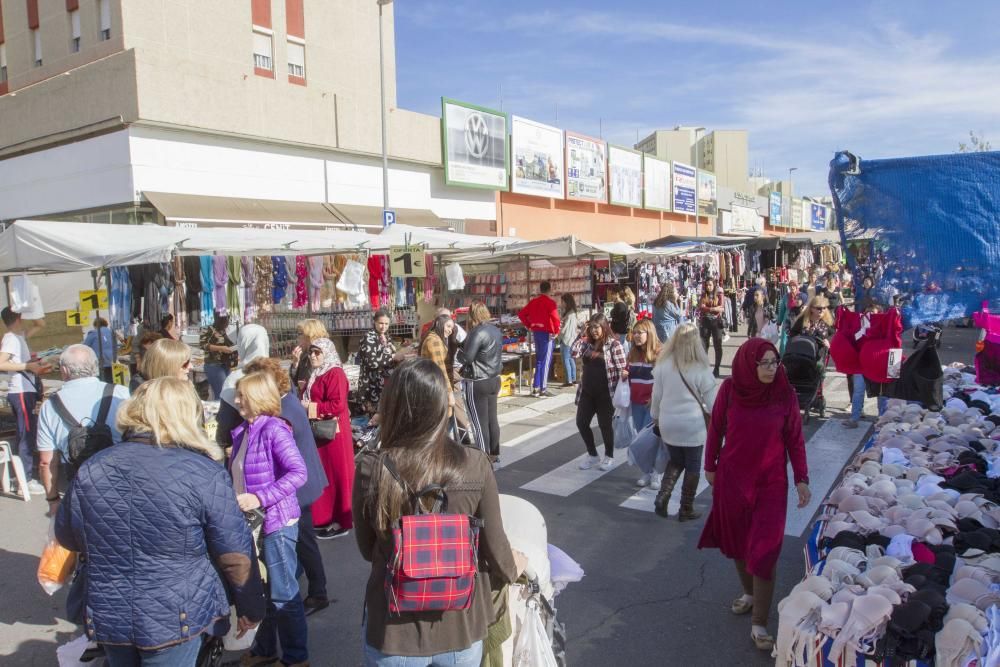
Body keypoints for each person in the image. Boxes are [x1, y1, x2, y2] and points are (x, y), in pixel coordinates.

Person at [54, 378, 266, 667]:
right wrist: (251, 607)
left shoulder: (93, 467)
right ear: (188, 415)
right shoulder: (203, 472)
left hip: (111, 612)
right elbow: (235, 554)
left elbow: (67, 536)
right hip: (177, 614)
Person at [352, 358, 523, 666]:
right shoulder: (475, 464)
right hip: (460, 626)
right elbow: (495, 548)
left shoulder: (370, 468)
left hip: (393, 630)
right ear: (441, 407)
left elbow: (367, 550)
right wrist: (516, 568)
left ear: (392, 407)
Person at [698, 339, 810, 652]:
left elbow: (795, 440)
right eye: (765, 363)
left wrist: (801, 478)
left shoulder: (784, 394)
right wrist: (710, 466)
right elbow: (716, 428)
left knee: (765, 551)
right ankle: (748, 593)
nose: (772, 368)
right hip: (733, 479)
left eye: (775, 362)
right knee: (737, 542)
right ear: (750, 363)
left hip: (771, 484)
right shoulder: (731, 390)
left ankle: (759, 622)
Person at [230, 371, 309, 667]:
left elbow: (299, 473)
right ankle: (265, 650)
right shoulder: (244, 431)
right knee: (265, 592)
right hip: (254, 524)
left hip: (275, 523)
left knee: (283, 594)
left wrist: (260, 498)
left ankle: (296, 659)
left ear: (258, 398)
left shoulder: (274, 429)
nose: (237, 400)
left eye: (242, 395)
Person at [244, 357, 331, 612]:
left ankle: (318, 592)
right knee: (304, 540)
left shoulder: (282, 411)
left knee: (305, 541)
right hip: (304, 481)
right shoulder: (287, 399)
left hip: (297, 488)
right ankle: (311, 584)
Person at [36, 345, 130, 514]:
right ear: (95, 366)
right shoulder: (121, 393)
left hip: (79, 487)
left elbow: (46, 462)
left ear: (64, 370)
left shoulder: (50, 406)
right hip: (120, 482)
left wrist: (53, 500)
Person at [650, 324, 718, 519]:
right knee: (693, 465)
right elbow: (713, 404)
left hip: (668, 422)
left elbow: (656, 397)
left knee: (676, 460)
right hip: (692, 424)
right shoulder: (701, 368)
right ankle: (686, 507)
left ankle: (662, 496)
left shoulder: (664, 365)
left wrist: (655, 417)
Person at [302, 338, 354, 539]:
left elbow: (337, 405)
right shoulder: (318, 372)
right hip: (321, 433)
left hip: (333, 434)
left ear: (327, 353)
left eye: (317, 352)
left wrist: (310, 408)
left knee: (336, 476)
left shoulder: (335, 373)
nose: (313, 356)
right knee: (324, 475)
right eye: (311, 352)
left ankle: (341, 520)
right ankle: (324, 517)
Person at [0, 307, 49, 493]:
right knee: (26, 435)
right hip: (20, 390)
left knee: (25, 433)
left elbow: (41, 324)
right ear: (19, 317)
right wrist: (27, 366)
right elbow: (1, 362)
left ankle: (23, 474)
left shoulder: (18, 336)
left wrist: (30, 306)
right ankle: (26, 481)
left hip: (23, 390)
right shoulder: (11, 339)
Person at [571, 313, 627, 471]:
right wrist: (581, 333)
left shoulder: (614, 345)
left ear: (604, 327)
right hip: (587, 392)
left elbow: (623, 368)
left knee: (605, 426)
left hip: (606, 393)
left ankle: (609, 456)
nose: (594, 331)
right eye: (592, 327)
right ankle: (593, 454)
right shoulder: (586, 343)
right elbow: (573, 352)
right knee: (581, 422)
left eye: (597, 327)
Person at [462, 302, 503, 460]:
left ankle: (484, 459)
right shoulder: (495, 330)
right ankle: (494, 453)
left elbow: (468, 358)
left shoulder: (476, 332)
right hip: (494, 378)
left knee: (479, 423)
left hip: (478, 380)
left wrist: (459, 352)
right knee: (492, 419)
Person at [844, 301, 888, 429]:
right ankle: (854, 418)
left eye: (873, 313)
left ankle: (882, 418)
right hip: (861, 363)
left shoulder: (884, 326)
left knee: (881, 392)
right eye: (867, 313)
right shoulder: (860, 325)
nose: (869, 315)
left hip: (879, 364)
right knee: (858, 391)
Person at [517, 281, 561, 398]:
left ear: (540, 289)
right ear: (549, 290)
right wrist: (556, 331)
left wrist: (530, 325)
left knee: (539, 360)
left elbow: (521, 314)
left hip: (536, 332)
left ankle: (536, 387)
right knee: (545, 361)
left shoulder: (533, 302)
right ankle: (543, 388)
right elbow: (556, 318)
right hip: (547, 333)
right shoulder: (550, 303)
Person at [358, 309, 404, 416]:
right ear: (374, 322)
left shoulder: (386, 336)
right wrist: (393, 357)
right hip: (372, 385)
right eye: (381, 323)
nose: (383, 326)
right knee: (374, 418)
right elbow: (371, 361)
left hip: (384, 384)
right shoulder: (369, 337)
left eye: (386, 324)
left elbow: (390, 352)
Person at [626, 319, 660, 433]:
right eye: (634, 333)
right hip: (636, 401)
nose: (636, 336)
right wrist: (625, 373)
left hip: (652, 403)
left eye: (639, 333)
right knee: (640, 435)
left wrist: (655, 399)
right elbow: (628, 373)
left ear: (649, 333)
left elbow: (664, 381)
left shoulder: (660, 353)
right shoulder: (632, 353)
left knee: (647, 437)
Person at [290, 318, 333, 397]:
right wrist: (295, 364)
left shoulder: (320, 354)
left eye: (300, 334)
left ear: (309, 336)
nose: (297, 337)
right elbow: (294, 382)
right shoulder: (305, 353)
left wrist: (306, 386)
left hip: (317, 404)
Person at [200, 311, 236, 399]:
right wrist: (221, 348)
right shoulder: (207, 329)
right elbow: (203, 345)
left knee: (226, 392)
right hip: (213, 365)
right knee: (221, 393)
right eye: (225, 320)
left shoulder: (222, 331)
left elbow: (227, 343)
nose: (227, 323)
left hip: (225, 364)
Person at [698, 278, 725, 378]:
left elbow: (721, 308)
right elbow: (701, 307)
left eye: (710, 285)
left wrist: (708, 309)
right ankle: (704, 368)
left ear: (714, 285)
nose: (708, 287)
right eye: (707, 285)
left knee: (717, 345)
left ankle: (716, 368)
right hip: (705, 321)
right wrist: (713, 308)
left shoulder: (719, 295)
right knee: (704, 346)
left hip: (716, 322)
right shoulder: (703, 295)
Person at [557, 293, 581, 387]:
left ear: (566, 302)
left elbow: (564, 328)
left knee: (566, 359)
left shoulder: (570, 314)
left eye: (562, 301)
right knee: (571, 359)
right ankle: (573, 379)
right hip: (571, 339)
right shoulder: (572, 312)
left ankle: (569, 380)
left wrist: (558, 332)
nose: (561, 303)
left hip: (567, 339)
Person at [84, 317, 115, 383]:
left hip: (100, 361)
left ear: (95, 325)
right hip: (112, 360)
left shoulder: (94, 333)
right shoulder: (112, 332)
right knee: (110, 381)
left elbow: (84, 346)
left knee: (101, 381)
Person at [775, 282, 803, 356]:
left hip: (798, 320)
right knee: (784, 340)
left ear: (797, 287)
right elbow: (782, 310)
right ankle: (783, 358)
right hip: (787, 320)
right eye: (790, 286)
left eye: (794, 286)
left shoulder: (801, 296)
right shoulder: (786, 296)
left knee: (797, 339)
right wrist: (778, 322)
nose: (792, 287)